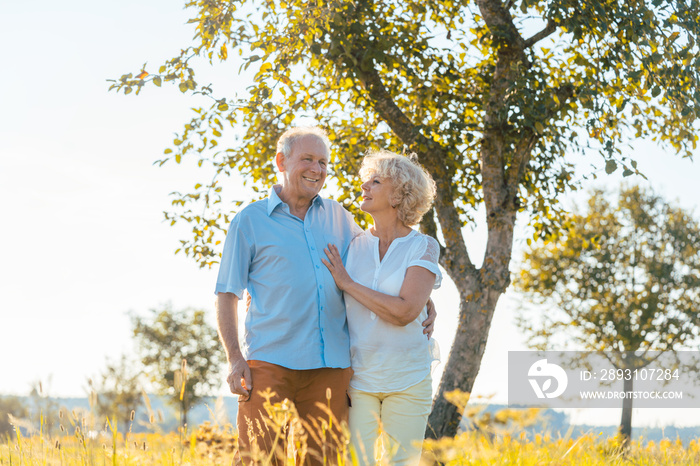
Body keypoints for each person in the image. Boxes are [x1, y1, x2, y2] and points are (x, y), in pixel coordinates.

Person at [214, 127, 435, 465]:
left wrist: (423, 299)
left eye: (322, 162)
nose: (316, 169)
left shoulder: (340, 217)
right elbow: (227, 293)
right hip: (269, 363)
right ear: (281, 161)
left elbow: (387, 260)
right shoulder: (250, 221)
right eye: (307, 159)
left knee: (324, 462)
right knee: (259, 459)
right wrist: (234, 357)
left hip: (331, 369)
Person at [321, 150, 441, 466]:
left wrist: (348, 283)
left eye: (376, 181)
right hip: (359, 379)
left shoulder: (423, 246)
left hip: (408, 378)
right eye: (367, 180)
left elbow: (404, 313)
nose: (364, 186)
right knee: (355, 462)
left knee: (402, 463)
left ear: (400, 195)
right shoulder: (352, 245)